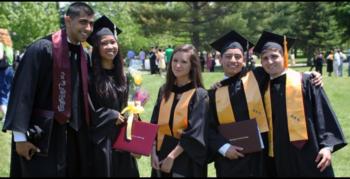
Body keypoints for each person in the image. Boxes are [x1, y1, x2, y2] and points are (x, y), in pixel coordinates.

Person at [2, 2, 95, 177]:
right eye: (83, 22)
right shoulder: (42, 49)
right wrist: (20, 139)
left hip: (72, 139)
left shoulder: (82, 55)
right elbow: (23, 93)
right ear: (68, 20)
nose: (88, 28)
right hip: (42, 136)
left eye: (91, 23)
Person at [253, 31, 347, 177]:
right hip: (275, 156)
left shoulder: (306, 81)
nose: (269, 61)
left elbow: (322, 113)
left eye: (274, 56)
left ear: (284, 56)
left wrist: (327, 147)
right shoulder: (262, 85)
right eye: (265, 58)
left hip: (307, 153)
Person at [207, 30, 270, 177]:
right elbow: (208, 128)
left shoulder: (259, 76)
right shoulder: (213, 93)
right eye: (228, 56)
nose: (233, 60)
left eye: (238, 56)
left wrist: (308, 76)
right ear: (220, 59)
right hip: (230, 160)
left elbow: (280, 74)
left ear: (244, 59)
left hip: (261, 156)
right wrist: (223, 147)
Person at [86, 15, 139, 177]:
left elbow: (130, 104)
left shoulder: (123, 76)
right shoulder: (89, 77)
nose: (110, 46)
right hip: (102, 143)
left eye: (113, 42)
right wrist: (110, 115)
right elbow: (85, 109)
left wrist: (134, 113)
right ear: (96, 47)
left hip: (124, 139)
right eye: (104, 43)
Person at [150, 44, 209, 177]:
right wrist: (152, 152)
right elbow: (154, 122)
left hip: (186, 157)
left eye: (184, 62)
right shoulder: (164, 90)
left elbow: (195, 132)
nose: (177, 65)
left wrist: (172, 156)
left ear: (192, 66)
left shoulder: (199, 95)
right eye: (175, 60)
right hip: (160, 152)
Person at [0, 51, 14, 122]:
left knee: (2, 95)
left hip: (3, 71)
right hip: (10, 69)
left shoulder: (1, 46)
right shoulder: (9, 48)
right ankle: (7, 114)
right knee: (7, 93)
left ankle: (6, 116)